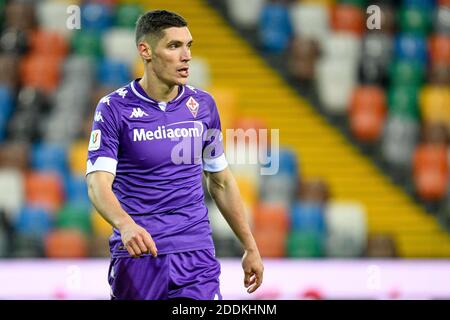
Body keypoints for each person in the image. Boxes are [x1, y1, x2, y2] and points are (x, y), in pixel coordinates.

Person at [86, 9, 264, 300]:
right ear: (145, 51)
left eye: (188, 45)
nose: (186, 56)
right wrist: (126, 225)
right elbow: (97, 184)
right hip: (140, 255)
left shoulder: (203, 105)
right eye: (174, 46)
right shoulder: (113, 109)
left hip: (197, 256)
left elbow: (221, 182)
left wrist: (250, 246)